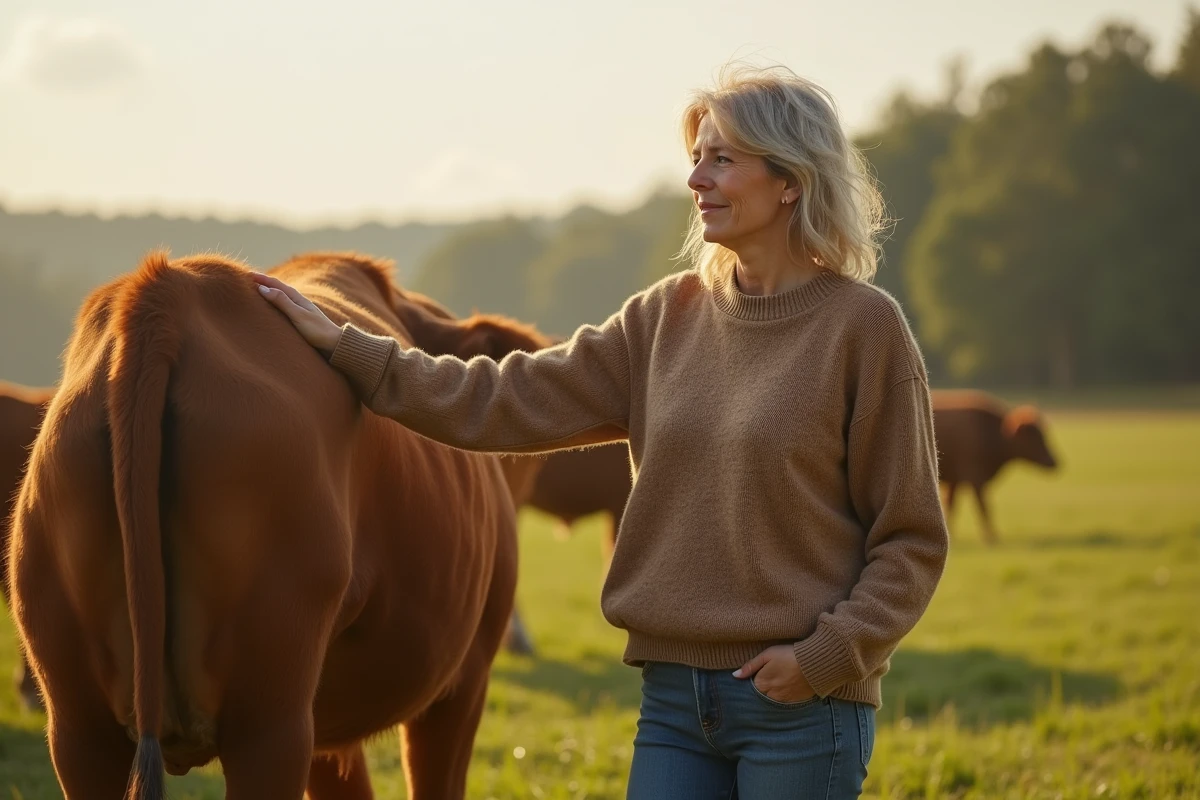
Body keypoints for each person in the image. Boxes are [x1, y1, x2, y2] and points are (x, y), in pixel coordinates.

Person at [255, 63, 949, 799]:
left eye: (722, 159)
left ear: (790, 180)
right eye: (696, 158)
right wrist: (349, 350)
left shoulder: (864, 329)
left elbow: (911, 539)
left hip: (802, 709)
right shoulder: (664, 317)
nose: (696, 180)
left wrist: (825, 659)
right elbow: (500, 396)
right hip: (675, 704)